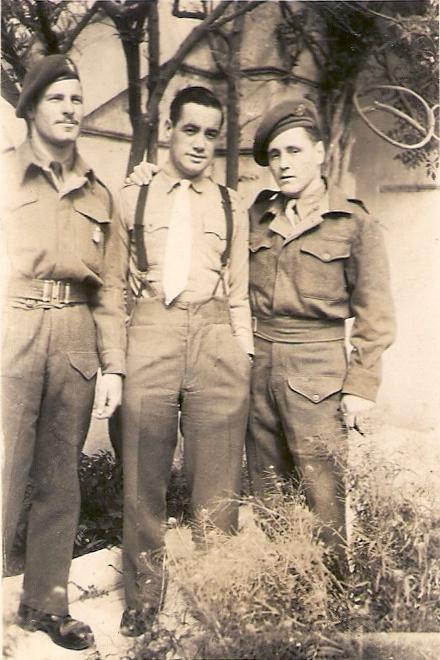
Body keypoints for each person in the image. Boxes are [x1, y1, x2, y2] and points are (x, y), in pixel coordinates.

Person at [114, 86, 253, 636]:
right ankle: (143, 597)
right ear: (168, 129)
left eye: (211, 134)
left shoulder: (230, 203)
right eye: (189, 129)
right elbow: (112, 280)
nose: (199, 143)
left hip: (216, 334)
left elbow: (239, 290)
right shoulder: (134, 196)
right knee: (141, 475)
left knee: (217, 482)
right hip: (151, 330)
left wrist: (240, 352)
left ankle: (216, 595)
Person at [1, 55, 123, 651]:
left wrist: (114, 366)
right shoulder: (3, 176)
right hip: (13, 328)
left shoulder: (100, 192)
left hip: (75, 336)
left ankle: (46, 605)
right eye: (57, 99)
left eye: (77, 98)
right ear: (29, 109)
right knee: (1, 473)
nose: (71, 109)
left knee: (59, 480)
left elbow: (113, 288)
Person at [246, 96, 396, 576]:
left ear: (319, 151)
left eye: (293, 151)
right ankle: (285, 591)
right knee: (269, 489)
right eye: (274, 155)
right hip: (260, 364)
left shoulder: (354, 223)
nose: (284, 164)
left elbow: (375, 313)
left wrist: (360, 387)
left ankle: (330, 600)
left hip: (319, 370)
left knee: (322, 491)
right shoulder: (257, 215)